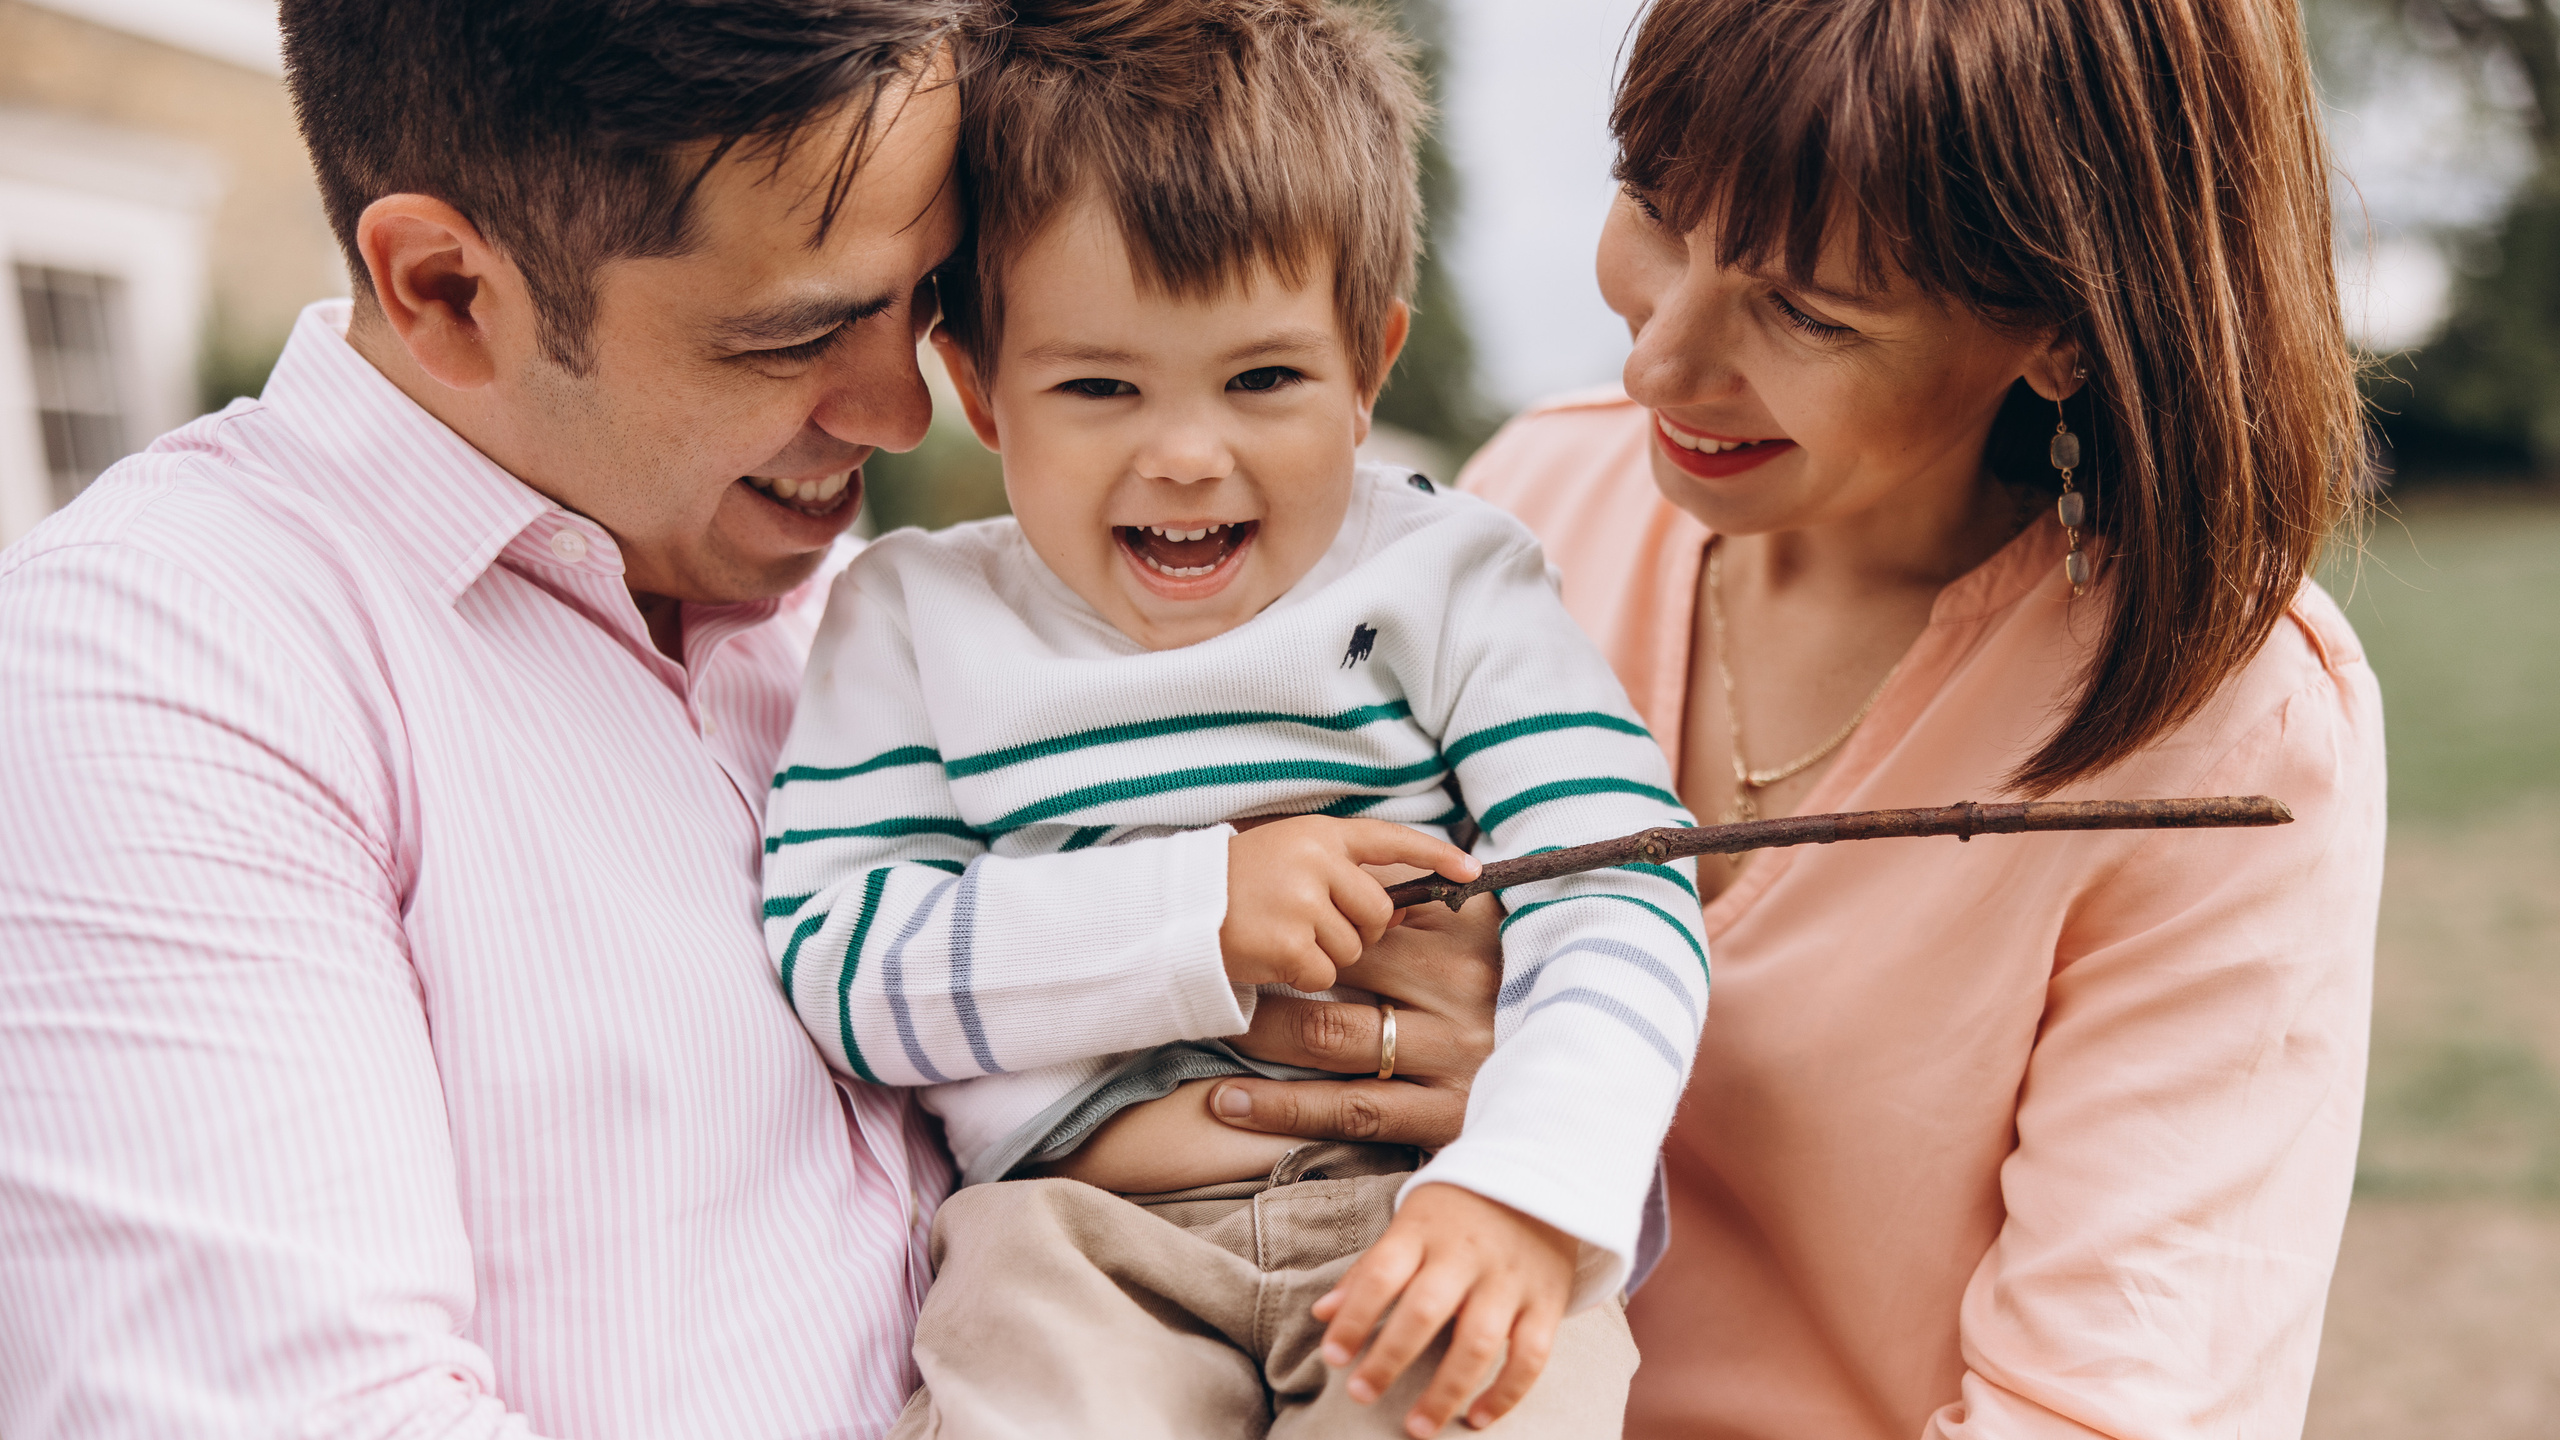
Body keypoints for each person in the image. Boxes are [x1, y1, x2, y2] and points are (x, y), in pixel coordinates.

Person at [0, 2, 1499, 1434]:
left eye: (924, 298)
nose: (904, 413)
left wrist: (1367, 1079)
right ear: (447, 290)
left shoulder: (888, 629)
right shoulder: (165, 661)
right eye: (794, 335)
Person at [1451, 1, 2388, 1436]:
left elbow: (2094, 1409)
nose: (1659, 363)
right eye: (1654, 208)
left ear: (2063, 332)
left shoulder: (2233, 734)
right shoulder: (1529, 507)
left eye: (1807, 311)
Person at [762, 4, 1699, 1435]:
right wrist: (1195, 908)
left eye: (1264, 380)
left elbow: (1622, 891)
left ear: (1369, 369)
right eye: (1098, 386)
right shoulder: (911, 622)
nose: (1188, 455)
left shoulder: (1454, 580)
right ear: (983, 392)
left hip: (1429, 1211)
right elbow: (842, 960)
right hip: (1082, 1248)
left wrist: (1528, 1189)